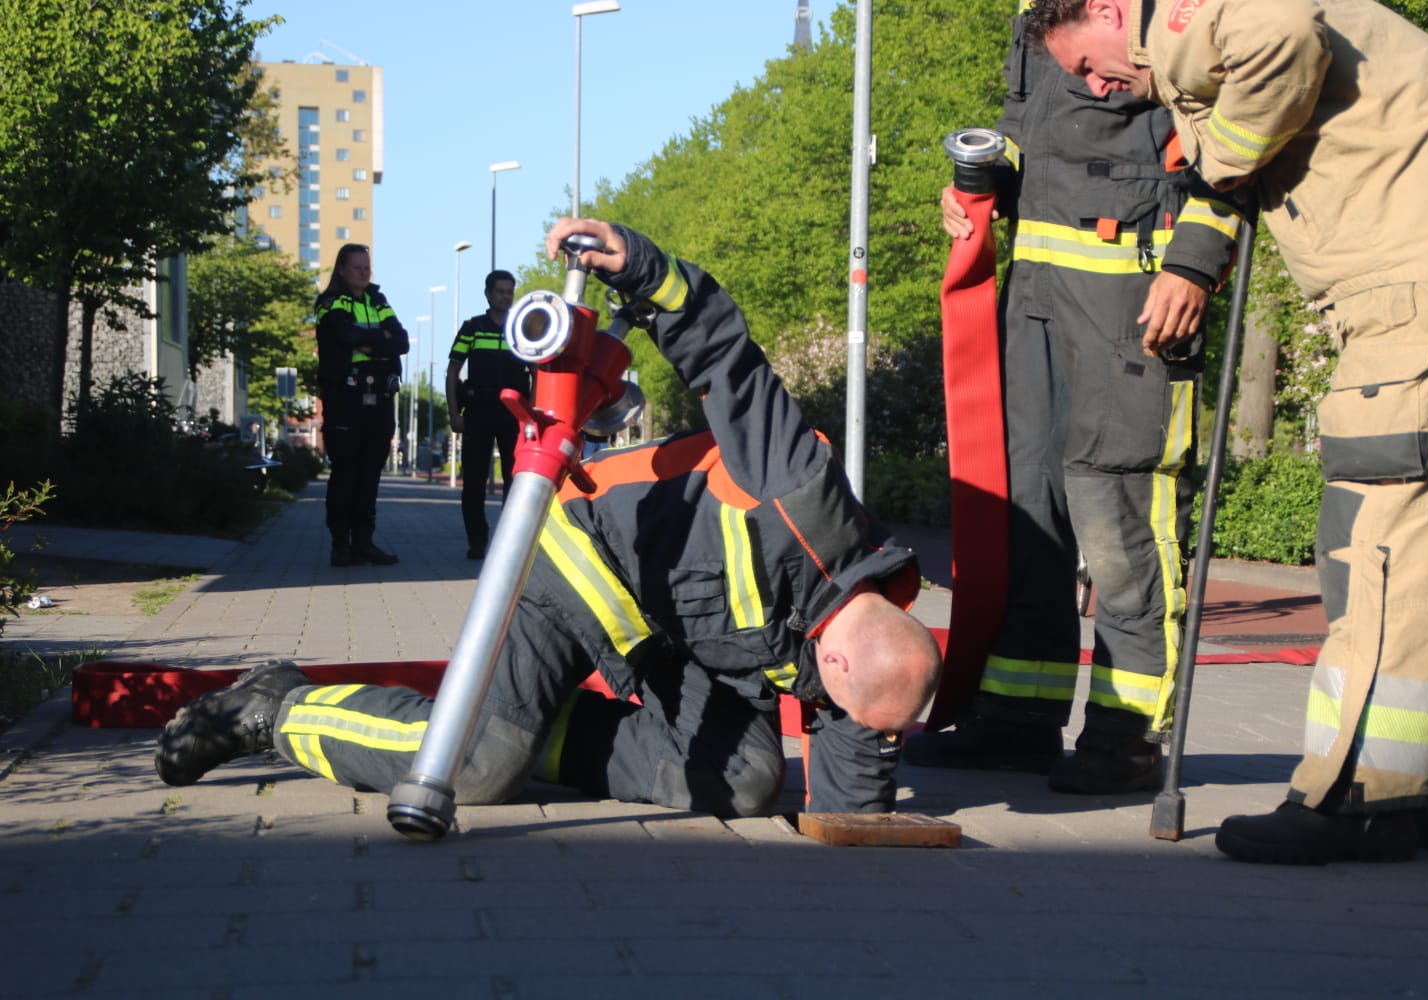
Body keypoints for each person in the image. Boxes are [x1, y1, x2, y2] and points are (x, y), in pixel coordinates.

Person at [155, 218, 945, 818]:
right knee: (479, 771)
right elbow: (724, 357)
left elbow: (857, 763)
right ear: (838, 667)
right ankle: (271, 706)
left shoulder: (868, 649)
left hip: (665, 634)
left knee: (746, 779)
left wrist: (859, 849)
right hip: (579, 560)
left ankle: (529, 716)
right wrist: (641, 265)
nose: (851, 728)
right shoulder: (800, 489)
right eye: (851, 716)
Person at [1025, 0, 1428, 863]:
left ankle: (1360, 795)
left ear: (1104, 8)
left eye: (1091, 65)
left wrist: (1223, 154)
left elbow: (1284, 40)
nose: (1103, 86)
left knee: (1384, 544)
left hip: (1419, 291)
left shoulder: (1191, 15)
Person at [903, 0, 1243, 795]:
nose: (1086, 75)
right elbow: (1026, 136)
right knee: (1030, 517)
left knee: (1121, 518)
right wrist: (980, 186)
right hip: (1036, 305)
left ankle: (1126, 737)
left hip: (1136, 305)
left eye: (1093, 61)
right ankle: (1019, 720)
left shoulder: (1187, 14)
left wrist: (1194, 263)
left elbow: (1241, 142)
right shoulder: (1041, 15)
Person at [315, 243, 410, 567]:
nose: (363, 272)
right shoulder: (330, 303)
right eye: (357, 267)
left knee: (370, 475)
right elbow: (344, 336)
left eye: (366, 267)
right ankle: (340, 544)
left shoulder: (377, 300)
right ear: (342, 270)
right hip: (346, 399)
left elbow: (402, 341)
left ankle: (364, 542)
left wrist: (372, 343)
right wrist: (379, 341)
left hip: (380, 398)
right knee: (345, 474)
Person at [446, 269, 534, 560]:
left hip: (514, 413)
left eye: (510, 291)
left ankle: (510, 542)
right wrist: (454, 414)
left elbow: (537, 372)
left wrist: (532, 414)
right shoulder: (472, 328)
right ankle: (477, 540)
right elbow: (452, 371)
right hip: (478, 411)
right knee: (473, 482)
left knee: (516, 480)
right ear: (488, 294)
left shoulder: (521, 329)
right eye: (500, 291)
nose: (506, 296)